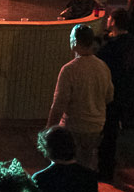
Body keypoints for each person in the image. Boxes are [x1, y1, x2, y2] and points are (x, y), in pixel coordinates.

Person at [48, 24, 114, 166]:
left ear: (74, 42)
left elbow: (59, 104)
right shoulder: (103, 67)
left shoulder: (69, 70)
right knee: (86, 164)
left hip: (73, 126)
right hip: (96, 127)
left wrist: (49, 130)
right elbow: (109, 97)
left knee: (66, 166)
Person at [96, 9, 134, 177]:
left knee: (108, 130)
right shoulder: (131, 42)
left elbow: (102, 61)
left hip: (112, 91)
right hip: (124, 91)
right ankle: (108, 165)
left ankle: (105, 168)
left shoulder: (112, 46)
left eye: (110, 17)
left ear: (114, 22)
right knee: (112, 131)